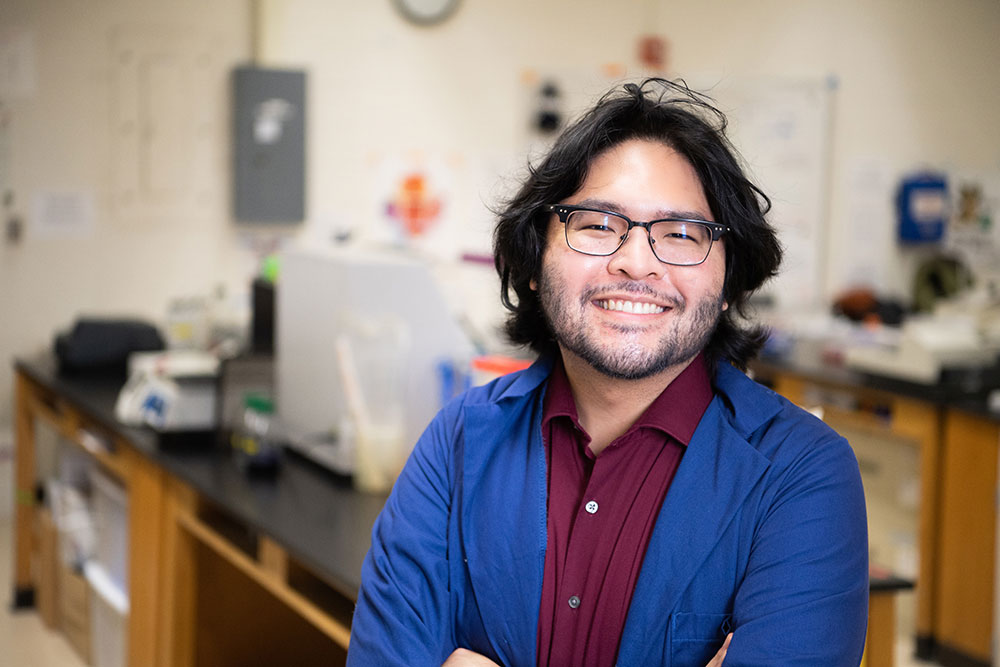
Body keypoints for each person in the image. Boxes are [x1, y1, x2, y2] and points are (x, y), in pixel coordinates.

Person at [346, 78, 868, 666]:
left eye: (681, 233)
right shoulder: (459, 442)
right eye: (596, 224)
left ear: (728, 283)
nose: (636, 262)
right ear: (536, 263)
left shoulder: (802, 475)